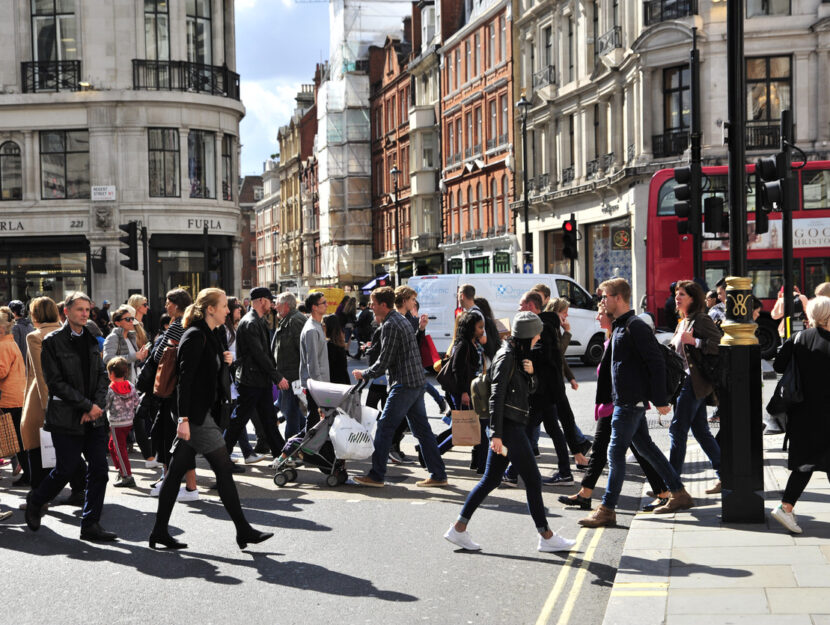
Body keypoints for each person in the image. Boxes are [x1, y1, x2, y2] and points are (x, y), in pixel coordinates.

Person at [149, 288, 273, 550]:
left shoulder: (213, 334)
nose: (229, 310)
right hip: (195, 415)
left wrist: (225, 361)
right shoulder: (194, 336)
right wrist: (183, 419)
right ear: (210, 309)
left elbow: (209, 374)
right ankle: (243, 530)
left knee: (174, 475)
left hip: (201, 413)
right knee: (223, 469)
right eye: (224, 306)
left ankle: (159, 531)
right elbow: (185, 381)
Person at [444, 311, 576, 553]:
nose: (538, 340)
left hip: (510, 425)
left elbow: (527, 390)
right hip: (509, 428)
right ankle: (546, 536)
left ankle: (458, 529)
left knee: (491, 479)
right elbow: (497, 396)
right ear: (527, 336)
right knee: (534, 480)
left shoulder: (519, 356)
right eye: (536, 336)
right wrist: (496, 434)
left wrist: (531, 373)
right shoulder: (507, 357)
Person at [578, 278, 693, 528]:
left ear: (618, 297)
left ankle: (607, 509)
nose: (601, 301)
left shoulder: (634, 326)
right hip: (625, 400)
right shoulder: (620, 326)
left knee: (615, 453)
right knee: (645, 448)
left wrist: (661, 399)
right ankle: (680, 494)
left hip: (630, 402)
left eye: (605, 296)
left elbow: (657, 362)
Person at [559, 303, 671, 512]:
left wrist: (659, 398)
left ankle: (598, 501)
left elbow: (649, 364)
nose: (596, 317)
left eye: (600, 313)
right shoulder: (609, 339)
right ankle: (665, 491)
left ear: (610, 317)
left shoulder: (622, 336)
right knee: (639, 450)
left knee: (609, 451)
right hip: (614, 403)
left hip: (618, 403)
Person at [24, 292, 115, 541]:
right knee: (65, 469)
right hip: (66, 417)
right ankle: (37, 499)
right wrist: (86, 405)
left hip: (93, 417)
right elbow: (55, 383)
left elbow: (102, 376)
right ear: (67, 312)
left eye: (88, 310)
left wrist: (95, 406)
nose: (85, 314)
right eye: (80, 310)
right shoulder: (52, 341)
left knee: (99, 470)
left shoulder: (92, 339)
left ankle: (90, 525)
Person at [352, 287, 448, 488]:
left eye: (373, 303)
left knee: (385, 428)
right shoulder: (398, 320)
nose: (370, 306)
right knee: (422, 431)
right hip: (415, 382)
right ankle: (438, 474)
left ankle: (376, 475)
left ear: (384, 305)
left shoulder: (391, 325)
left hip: (404, 384)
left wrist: (365, 374)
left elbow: (385, 360)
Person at [769, 296, 830, 534]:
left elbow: (778, 366)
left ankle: (786, 507)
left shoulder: (799, 338)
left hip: (802, 412)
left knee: (806, 463)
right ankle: (785, 506)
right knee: (810, 463)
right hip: (826, 413)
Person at [22, 297, 86, 501]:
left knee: (35, 444)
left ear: (35, 315)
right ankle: (79, 488)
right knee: (68, 444)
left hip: (44, 397)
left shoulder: (35, 336)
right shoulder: (70, 332)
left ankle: (38, 495)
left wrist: (46, 406)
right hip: (72, 396)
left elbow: (41, 374)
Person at [668, 280, 723, 493]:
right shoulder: (682, 321)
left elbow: (719, 344)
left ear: (693, 298)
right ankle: (724, 475)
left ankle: (671, 485)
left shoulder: (700, 319)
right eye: (676, 294)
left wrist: (696, 342)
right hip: (684, 382)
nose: (677, 298)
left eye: (682, 294)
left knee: (677, 430)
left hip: (693, 383)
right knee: (701, 431)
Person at [224, 286, 288, 463]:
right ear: (261, 301)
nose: (272, 304)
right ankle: (221, 456)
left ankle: (281, 454)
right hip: (251, 380)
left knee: (268, 418)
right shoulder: (251, 322)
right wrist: (277, 377)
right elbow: (259, 355)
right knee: (239, 420)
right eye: (269, 301)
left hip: (258, 379)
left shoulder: (256, 320)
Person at [273, 292, 307, 441]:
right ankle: (303, 439)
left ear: (286, 305)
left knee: (290, 412)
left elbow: (303, 350)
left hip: (292, 376)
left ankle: (292, 445)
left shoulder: (295, 320)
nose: (275, 307)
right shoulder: (288, 319)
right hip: (287, 375)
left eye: (278, 304)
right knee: (287, 407)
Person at [0, 306, 28, 486]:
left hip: (8, 397)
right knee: (19, 439)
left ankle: (29, 473)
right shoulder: (10, 343)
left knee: (17, 439)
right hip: (16, 395)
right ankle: (29, 473)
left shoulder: (3, 345)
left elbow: (1, 371)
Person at [105, 357, 140, 488]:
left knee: (119, 450)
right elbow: (137, 402)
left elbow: (105, 406)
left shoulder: (110, 390)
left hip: (116, 424)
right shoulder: (130, 386)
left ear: (112, 374)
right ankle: (121, 470)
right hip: (129, 422)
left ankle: (127, 476)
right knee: (112, 446)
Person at [300, 291, 331, 425]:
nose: (326, 305)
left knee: (316, 420)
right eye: (323, 303)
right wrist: (320, 387)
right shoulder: (312, 329)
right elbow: (312, 362)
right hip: (316, 384)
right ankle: (307, 445)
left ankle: (312, 444)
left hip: (318, 383)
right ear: (314, 307)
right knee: (313, 419)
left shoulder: (317, 325)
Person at [102, 305, 149, 383]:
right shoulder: (113, 337)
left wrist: (141, 356)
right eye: (127, 319)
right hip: (120, 385)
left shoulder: (131, 337)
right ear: (117, 323)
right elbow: (108, 359)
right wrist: (134, 356)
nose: (131, 321)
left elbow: (133, 362)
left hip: (133, 382)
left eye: (132, 318)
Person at [323, 314, 350, 384]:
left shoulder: (330, 345)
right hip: (343, 380)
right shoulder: (339, 342)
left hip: (334, 382)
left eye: (324, 325)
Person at [9, 300, 34, 364]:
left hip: (19, 366)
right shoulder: (30, 325)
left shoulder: (15, 327)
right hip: (30, 365)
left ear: (13, 313)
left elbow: (14, 350)